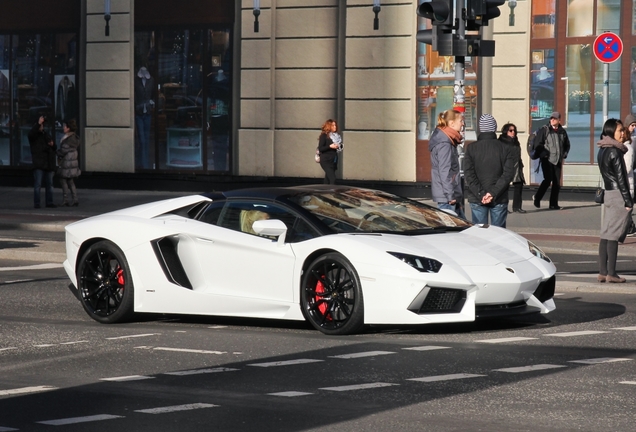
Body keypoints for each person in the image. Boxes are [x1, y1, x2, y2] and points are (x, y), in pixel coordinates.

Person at [597, 118, 633, 283]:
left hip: (609, 193)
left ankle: (603, 272)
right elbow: (621, 178)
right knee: (613, 234)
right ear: (611, 132)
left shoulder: (602, 149)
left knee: (606, 233)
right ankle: (611, 273)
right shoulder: (615, 151)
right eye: (619, 130)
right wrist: (628, 201)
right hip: (618, 194)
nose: (622, 133)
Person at [463, 114, 517, 227]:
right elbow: (508, 174)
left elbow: (469, 174)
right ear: (494, 128)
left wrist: (481, 194)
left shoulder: (471, 148)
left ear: (480, 129)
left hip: (477, 198)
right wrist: (492, 193)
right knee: (499, 234)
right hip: (499, 197)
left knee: (480, 236)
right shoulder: (505, 148)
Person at [429, 109, 465, 218]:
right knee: (451, 231)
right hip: (447, 197)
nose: (462, 124)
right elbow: (444, 170)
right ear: (451, 123)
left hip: (448, 195)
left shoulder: (446, 140)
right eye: (461, 121)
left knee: (463, 229)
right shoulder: (445, 143)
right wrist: (450, 195)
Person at [533, 111, 570, 210]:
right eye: (551, 118)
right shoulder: (545, 130)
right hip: (547, 160)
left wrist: (564, 154)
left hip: (558, 160)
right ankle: (537, 197)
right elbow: (538, 144)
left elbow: (567, 145)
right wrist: (544, 154)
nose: (552, 120)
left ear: (559, 120)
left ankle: (553, 204)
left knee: (557, 183)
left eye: (555, 118)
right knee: (548, 180)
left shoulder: (562, 131)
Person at [28, 116, 57, 209]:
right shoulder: (33, 136)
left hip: (48, 163)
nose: (42, 126)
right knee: (38, 184)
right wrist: (38, 123)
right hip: (39, 163)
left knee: (49, 184)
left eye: (43, 125)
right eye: (41, 125)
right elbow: (32, 134)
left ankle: (49, 202)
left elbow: (54, 146)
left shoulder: (45, 134)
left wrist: (53, 145)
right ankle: (37, 203)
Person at [498, 123, 526, 213]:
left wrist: (520, 164)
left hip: (517, 166)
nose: (513, 132)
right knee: (504, 187)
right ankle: (503, 207)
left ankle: (517, 207)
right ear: (506, 131)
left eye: (514, 130)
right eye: (510, 130)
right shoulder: (501, 141)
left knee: (519, 185)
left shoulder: (516, 141)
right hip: (506, 167)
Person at [56, 119, 81, 206]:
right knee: (71, 181)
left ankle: (65, 199)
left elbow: (63, 151)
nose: (63, 127)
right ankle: (75, 199)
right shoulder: (75, 138)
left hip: (66, 163)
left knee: (63, 180)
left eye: (65, 126)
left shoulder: (67, 139)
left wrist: (56, 152)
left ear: (68, 128)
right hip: (72, 164)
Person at [134, 66, 155, 169]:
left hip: (148, 114)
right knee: (141, 140)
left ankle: (144, 164)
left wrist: (153, 103)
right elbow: (133, 95)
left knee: (146, 140)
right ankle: (143, 164)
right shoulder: (135, 80)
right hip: (139, 113)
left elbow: (154, 94)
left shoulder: (151, 80)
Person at [317, 119, 342, 185]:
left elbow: (337, 148)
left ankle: (324, 192)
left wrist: (339, 147)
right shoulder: (324, 136)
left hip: (333, 160)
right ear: (329, 126)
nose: (335, 127)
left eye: (335, 125)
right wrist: (330, 146)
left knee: (327, 180)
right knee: (333, 178)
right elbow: (321, 148)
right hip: (325, 160)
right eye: (333, 125)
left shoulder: (337, 136)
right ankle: (332, 193)